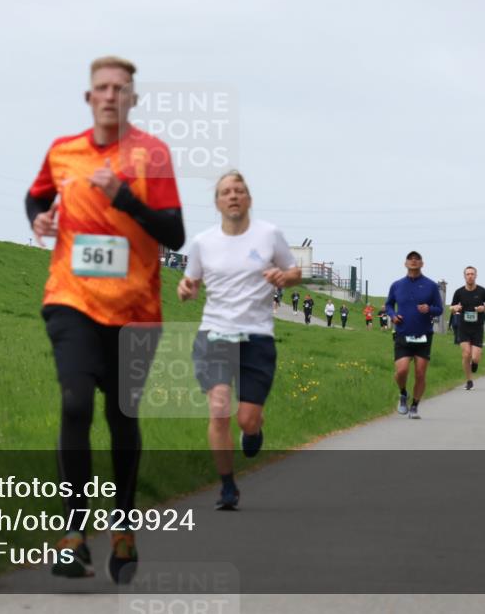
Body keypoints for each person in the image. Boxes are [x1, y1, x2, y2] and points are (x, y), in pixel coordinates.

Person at [25, 56, 185, 583]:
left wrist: (125, 198)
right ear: (89, 98)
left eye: (121, 88)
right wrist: (40, 219)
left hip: (136, 310)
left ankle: (122, 527)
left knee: (121, 418)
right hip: (70, 298)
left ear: (133, 99)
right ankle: (73, 534)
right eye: (102, 88)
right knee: (74, 401)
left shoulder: (152, 155)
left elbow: (174, 233)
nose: (111, 95)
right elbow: (36, 196)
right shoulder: (63, 151)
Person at [178, 170, 301, 510]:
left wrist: (283, 276)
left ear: (248, 198)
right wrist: (186, 288)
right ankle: (227, 486)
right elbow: (190, 282)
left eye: (239, 190)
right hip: (215, 333)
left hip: (257, 336)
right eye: (226, 192)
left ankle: (253, 430)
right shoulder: (203, 243)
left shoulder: (269, 235)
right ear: (217, 202)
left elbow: (295, 273)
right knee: (219, 408)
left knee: (246, 418)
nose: (233, 196)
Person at [385, 251, 444, 419]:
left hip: (423, 335)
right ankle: (403, 393)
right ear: (405, 264)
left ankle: (415, 406)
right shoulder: (396, 285)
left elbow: (439, 309)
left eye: (417, 259)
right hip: (403, 333)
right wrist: (393, 316)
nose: (413, 261)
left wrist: (429, 309)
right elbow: (389, 305)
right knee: (402, 371)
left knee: (420, 373)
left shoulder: (431, 286)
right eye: (410, 259)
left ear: (422, 264)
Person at [449, 266, 485, 391]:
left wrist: (483, 308)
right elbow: (451, 307)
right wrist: (455, 308)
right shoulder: (459, 292)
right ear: (464, 276)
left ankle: (475, 363)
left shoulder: (482, 291)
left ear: (476, 275)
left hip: (477, 328)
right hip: (463, 327)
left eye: (472, 274)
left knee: (475, 357)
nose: (470, 276)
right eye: (468, 274)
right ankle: (469, 381)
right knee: (466, 354)